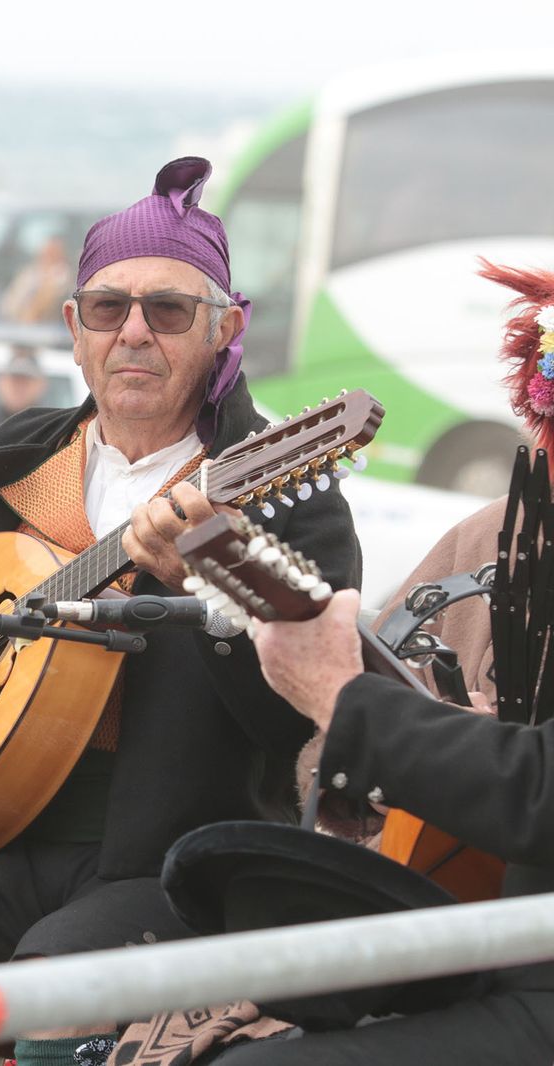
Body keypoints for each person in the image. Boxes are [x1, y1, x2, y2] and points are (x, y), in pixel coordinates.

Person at [0, 158, 360, 1065]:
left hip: (173, 857)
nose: (135, 333)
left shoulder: (282, 496)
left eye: (170, 309)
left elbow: (294, 715)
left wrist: (202, 575)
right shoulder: (6, 464)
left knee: (55, 992)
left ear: (226, 330)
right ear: (75, 330)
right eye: (109, 309)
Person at [185, 261, 554, 1065]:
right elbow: (333, 769)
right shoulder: (501, 530)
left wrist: (344, 695)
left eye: (165, 309)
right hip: (482, 941)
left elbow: (538, 788)